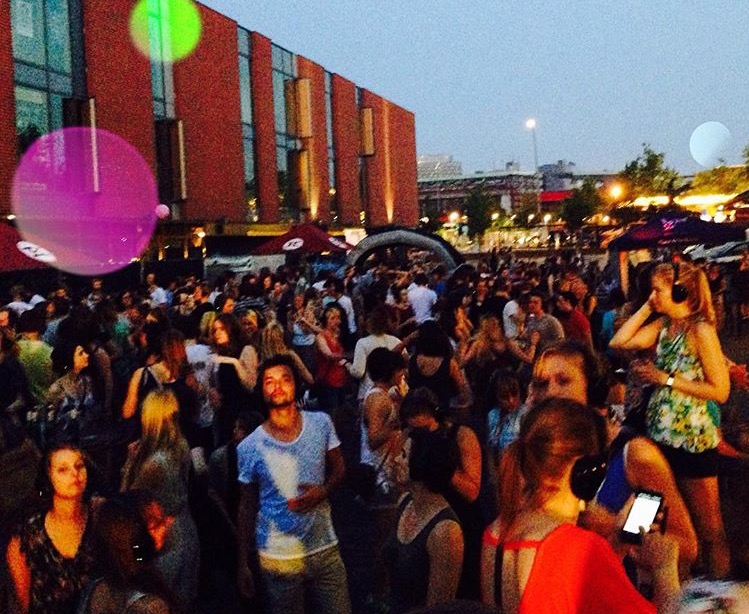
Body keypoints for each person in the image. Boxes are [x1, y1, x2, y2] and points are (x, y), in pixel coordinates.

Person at [482, 397, 680, 613]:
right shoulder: (581, 549)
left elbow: (566, 594)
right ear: (587, 471)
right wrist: (664, 568)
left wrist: (617, 546)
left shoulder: (495, 533)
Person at [609, 262, 731, 578]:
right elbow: (618, 342)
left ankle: (718, 590)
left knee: (709, 528)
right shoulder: (664, 325)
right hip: (659, 437)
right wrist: (647, 307)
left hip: (691, 441)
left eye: (658, 290)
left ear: (679, 291)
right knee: (651, 521)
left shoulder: (700, 330)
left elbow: (720, 390)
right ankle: (660, 583)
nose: (653, 296)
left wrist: (665, 379)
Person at [236, 354, 351, 614]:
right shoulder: (249, 447)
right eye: (269, 381)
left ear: (296, 384)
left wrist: (323, 491)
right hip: (278, 557)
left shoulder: (321, 423)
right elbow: (247, 505)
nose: (277, 386)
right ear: (261, 390)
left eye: (284, 379)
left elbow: (339, 468)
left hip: (324, 547)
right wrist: (242, 562)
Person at [400, 388, 483, 600]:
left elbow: (472, 492)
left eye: (424, 430)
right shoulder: (412, 436)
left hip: (461, 521)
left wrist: (441, 464)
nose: (419, 437)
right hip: (427, 519)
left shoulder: (462, 436)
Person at [121, 389, 200, 610]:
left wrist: (128, 464)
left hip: (165, 540)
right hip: (186, 530)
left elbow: (126, 501)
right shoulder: (180, 446)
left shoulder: (154, 464)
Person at [6, 444, 95, 614]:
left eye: (79, 466)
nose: (74, 474)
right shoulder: (28, 537)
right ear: (48, 477)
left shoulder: (100, 517)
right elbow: (21, 605)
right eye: (63, 470)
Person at [386, 428, 464, 613]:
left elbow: (439, 606)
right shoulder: (405, 502)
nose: (396, 460)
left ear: (421, 463)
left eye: (404, 455)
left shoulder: (445, 531)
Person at [78, 492, 176, 614]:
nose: (169, 522)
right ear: (130, 538)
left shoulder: (96, 586)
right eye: (156, 524)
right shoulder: (149, 606)